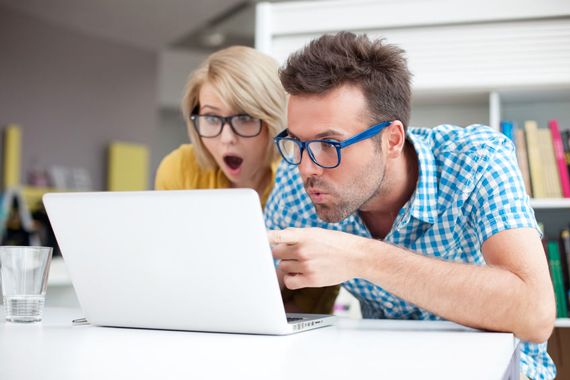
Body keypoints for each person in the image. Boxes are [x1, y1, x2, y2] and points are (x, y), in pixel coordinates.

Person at [265, 32, 556, 379]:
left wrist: (362, 256)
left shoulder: (476, 159)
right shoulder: (298, 180)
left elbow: (535, 314)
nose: (305, 167)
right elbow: (259, 288)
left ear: (392, 139)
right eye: (297, 143)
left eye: (329, 143)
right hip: (384, 366)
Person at [155, 46, 339, 315]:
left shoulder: (302, 183)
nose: (226, 138)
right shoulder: (180, 169)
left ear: (272, 119)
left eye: (244, 118)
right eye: (211, 118)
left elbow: (306, 300)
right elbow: (170, 268)